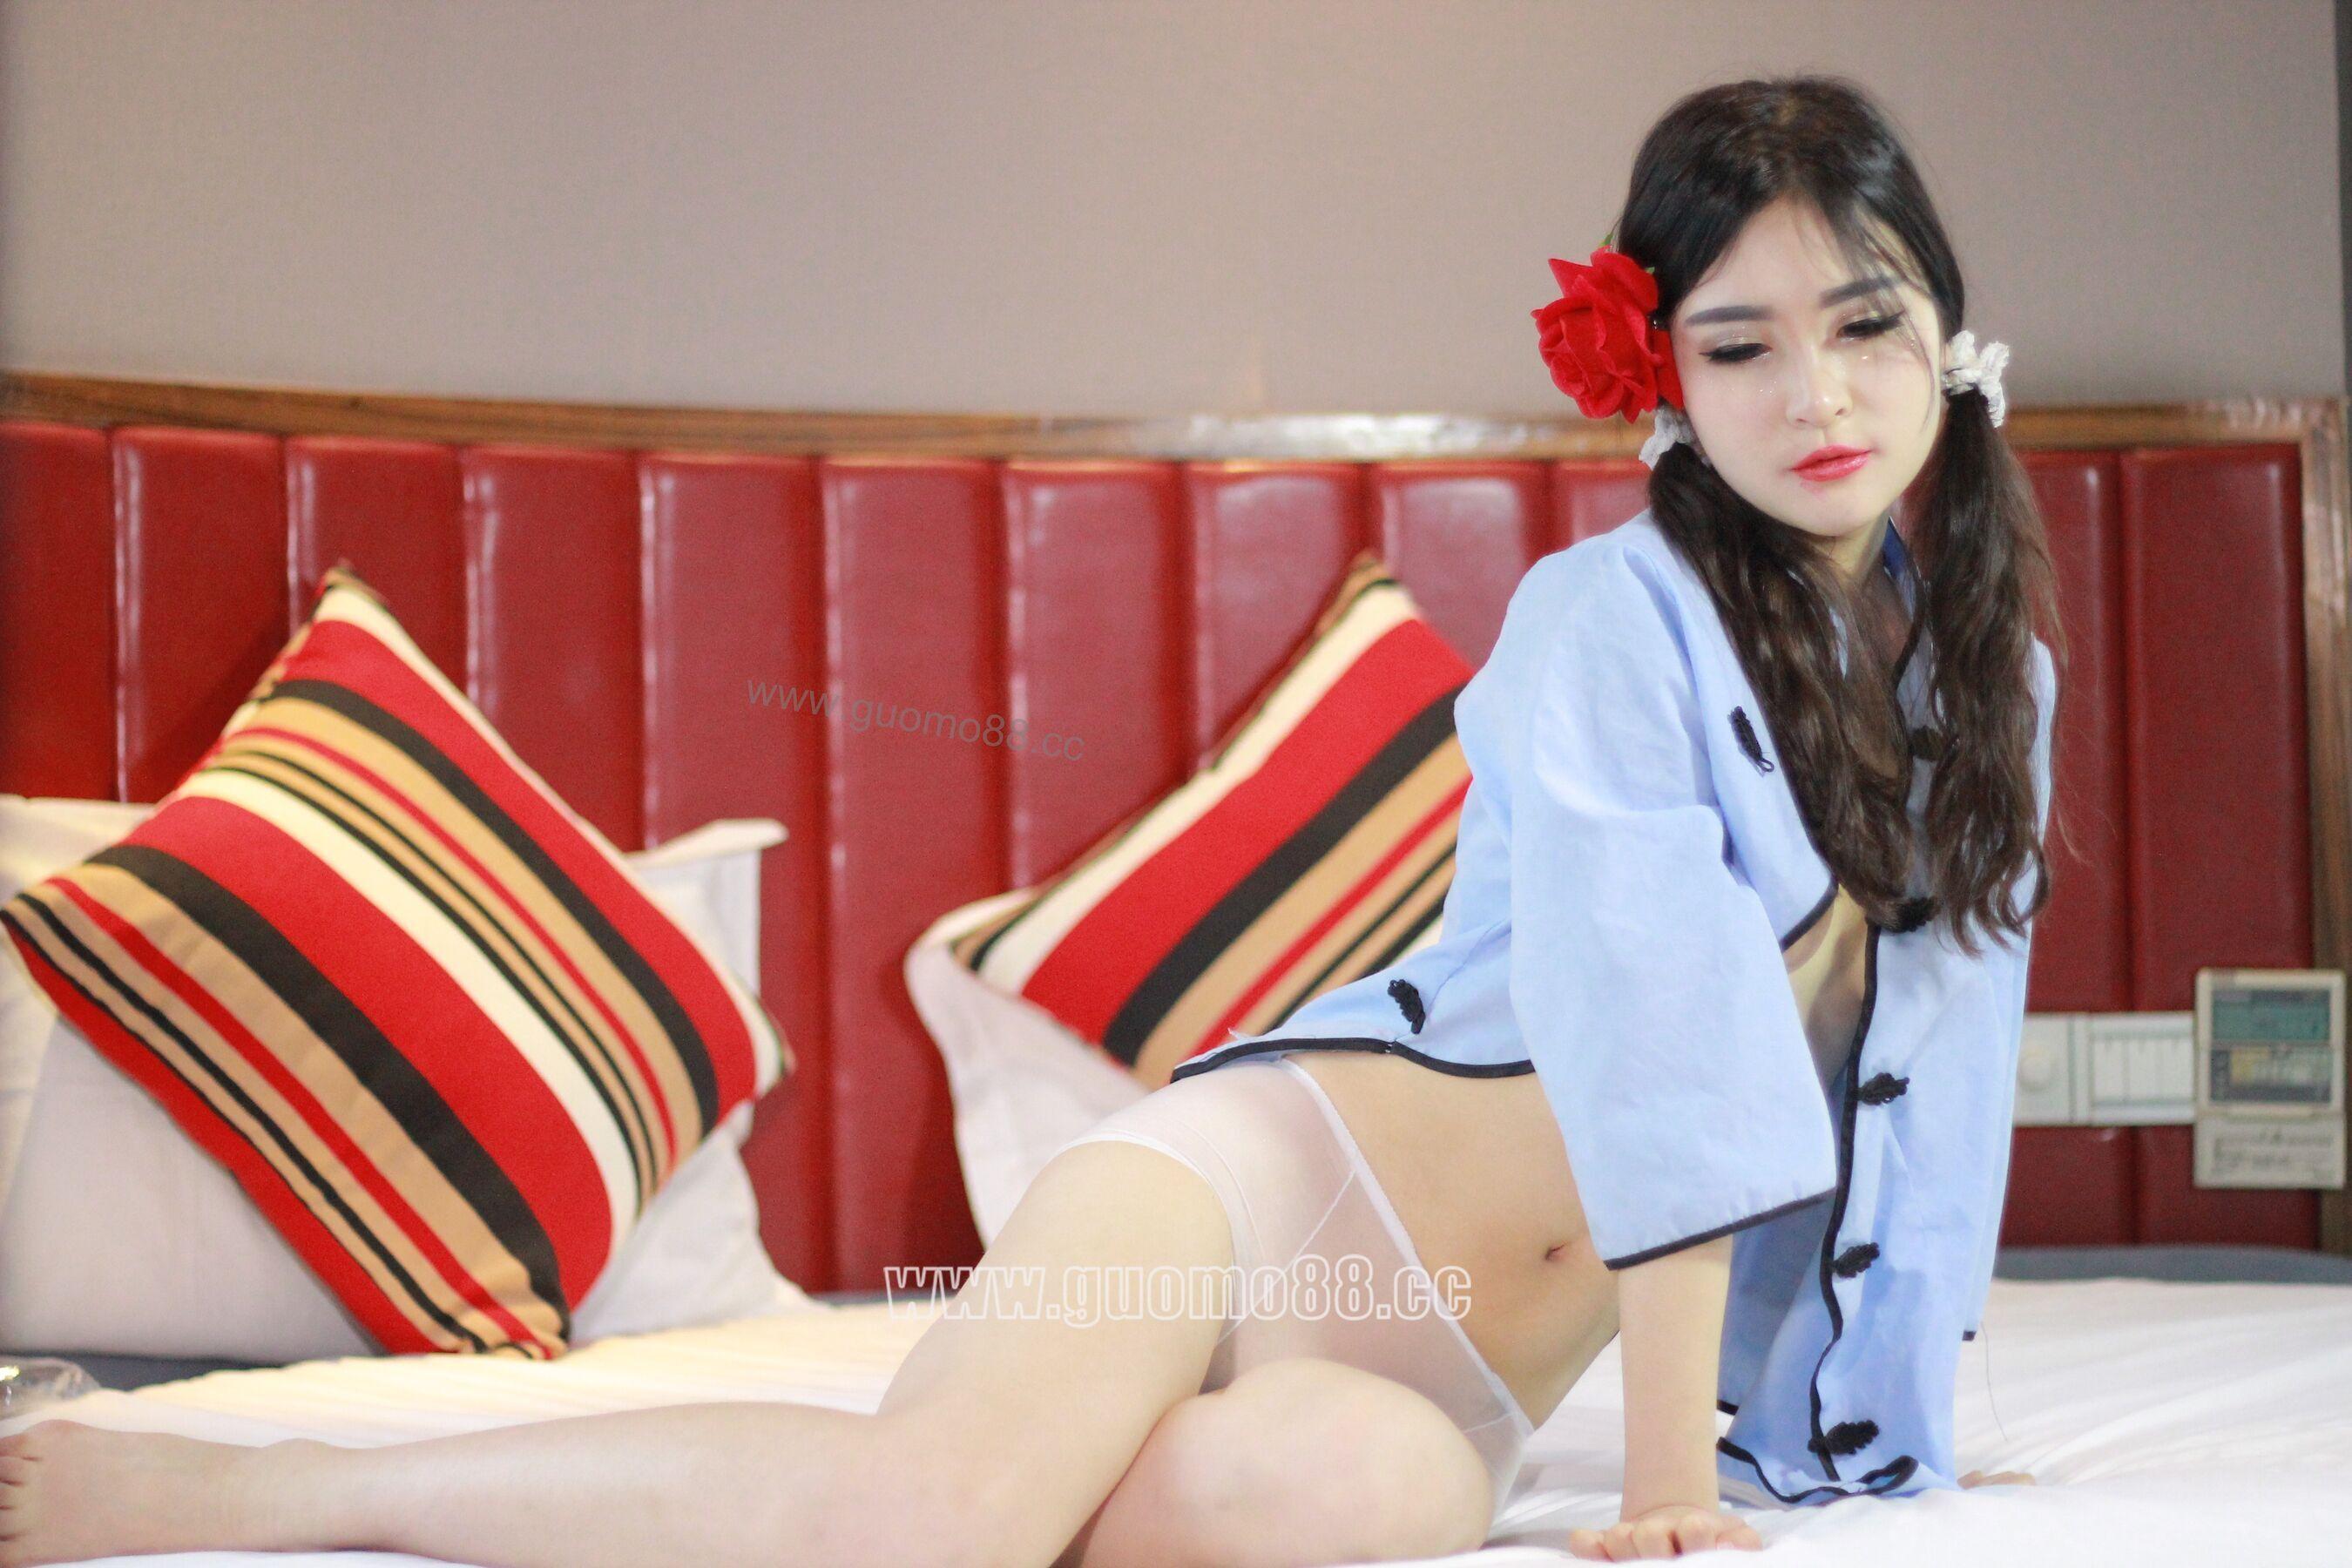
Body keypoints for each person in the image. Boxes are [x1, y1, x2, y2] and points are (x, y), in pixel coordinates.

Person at [0, 72, 2062, 1568]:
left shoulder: (1994, 686)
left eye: (1864, 322)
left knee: (1303, 1501)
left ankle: (974, 1466)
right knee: (937, 1523)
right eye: (1740, 344)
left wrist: (1886, 1433)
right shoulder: (1607, 619)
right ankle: (263, 1484)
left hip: (1464, 1375)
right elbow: (1664, 1030)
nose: (1817, 394)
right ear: (1663, 383)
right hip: (1281, 1175)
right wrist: (1671, 1484)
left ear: (1945, 334)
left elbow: (1931, 1090)